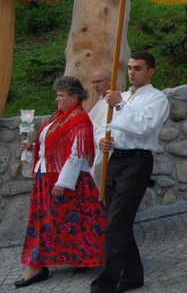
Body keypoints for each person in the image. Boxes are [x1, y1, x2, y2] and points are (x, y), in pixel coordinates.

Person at [15, 76, 106, 288]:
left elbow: (77, 154)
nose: (57, 99)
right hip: (47, 176)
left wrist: (63, 183)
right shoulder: (60, 117)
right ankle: (75, 258)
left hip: (63, 180)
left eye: (61, 95)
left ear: (74, 97)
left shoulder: (80, 119)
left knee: (61, 222)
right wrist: (31, 148)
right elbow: (49, 145)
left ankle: (38, 266)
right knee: (63, 222)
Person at [90, 51, 170, 293]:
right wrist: (101, 142)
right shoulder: (121, 96)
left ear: (150, 72)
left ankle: (106, 283)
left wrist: (120, 106)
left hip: (137, 162)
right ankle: (134, 275)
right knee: (117, 221)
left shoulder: (158, 99)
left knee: (116, 222)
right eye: (131, 68)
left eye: (138, 68)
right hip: (115, 159)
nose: (132, 72)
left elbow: (145, 126)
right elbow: (102, 126)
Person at [88, 67, 112, 188]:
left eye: (99, 81)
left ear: (110, 80)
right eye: (94, 82)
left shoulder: (114, 101)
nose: (95, 85)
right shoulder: (100, 100)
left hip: (104, 149)